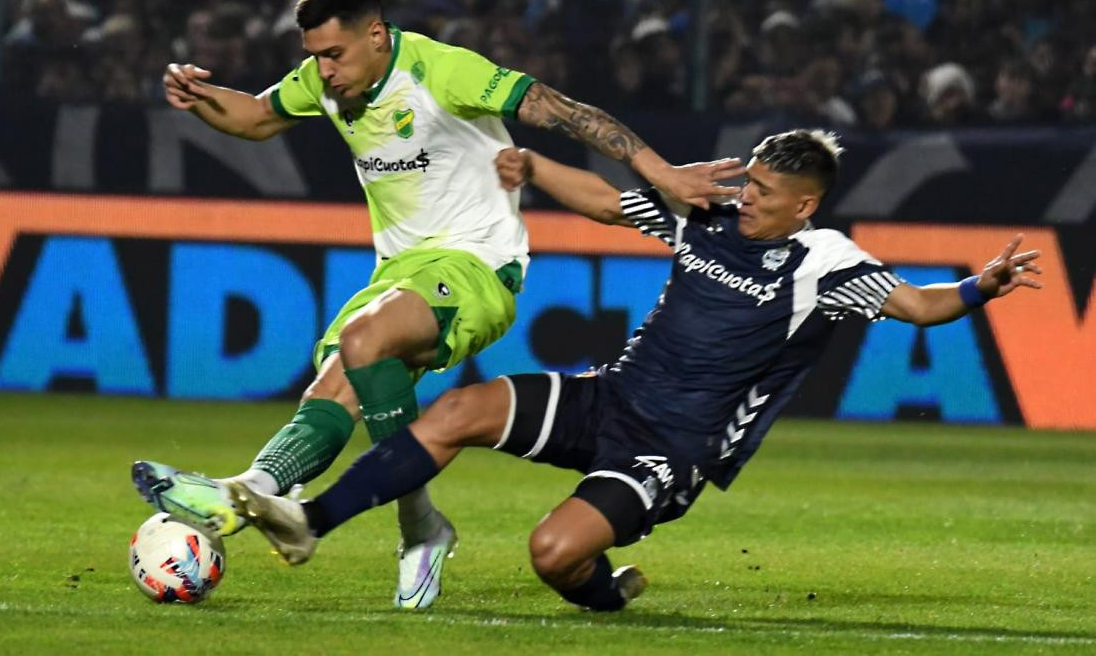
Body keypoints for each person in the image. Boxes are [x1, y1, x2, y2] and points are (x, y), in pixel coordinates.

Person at [226, 129, 1043, 611]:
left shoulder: (822, 260)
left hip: (671, 448)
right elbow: (613, 202)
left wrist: (980, 286)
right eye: (749, 178)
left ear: (805, 205)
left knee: (553, 555)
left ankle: (607, 591)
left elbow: (917, 306)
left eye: (765, 190)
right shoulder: (709, 211)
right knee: (458, 411)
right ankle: (309, 523)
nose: (747, 194)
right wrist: (534, 169)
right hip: (610, 395)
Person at [131, 0, 739, 609]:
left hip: (479, 265)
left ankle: (338, 506)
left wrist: (660, 171)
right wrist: (200, 95)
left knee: (365, 342)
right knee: (338, 380)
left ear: (376, 34)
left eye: (335, 55)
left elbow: (566, 114)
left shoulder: (443, 70)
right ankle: (368, 512)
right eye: (314, 57)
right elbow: (256, 117)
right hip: (398, 271)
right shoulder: (326, 80)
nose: (325, 71)